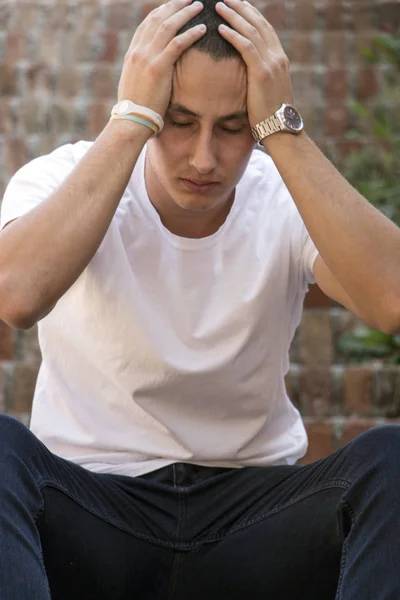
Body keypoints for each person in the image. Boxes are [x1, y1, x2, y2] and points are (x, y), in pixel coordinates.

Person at [0, 0, 399, 597]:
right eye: (179, 121)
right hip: (95, 506)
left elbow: (392, 301)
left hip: (252, 519)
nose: (205, 158)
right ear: (145, 101)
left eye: (233, 127)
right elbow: (16, 296)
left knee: (389, 461)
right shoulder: (62, 179)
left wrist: (282, 133)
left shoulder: (281, 197)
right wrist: (130, 121)